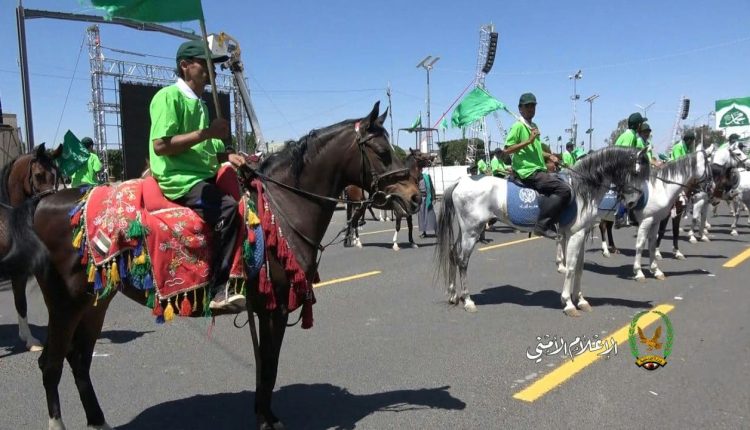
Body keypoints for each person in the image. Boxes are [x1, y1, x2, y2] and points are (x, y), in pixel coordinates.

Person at [149, 39, 247, 314]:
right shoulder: (168, 97)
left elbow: (206, 149)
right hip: (180, 179)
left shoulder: (201, 105)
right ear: (185, 66)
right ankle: (218, 288)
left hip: (203, 175)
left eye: (213, 66)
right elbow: (161, 145)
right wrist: (207, 133)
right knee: (228, 209)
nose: (212, 71)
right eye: (204, 64)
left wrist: (228, 156)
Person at [503, 92, 569, 239]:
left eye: (533, 106)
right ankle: (542, 225)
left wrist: (550, 156)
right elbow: (507, 149)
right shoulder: (518, 127)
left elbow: (537, 151)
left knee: (563, 181)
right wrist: (529, 141)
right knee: (564, 189)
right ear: (520, 109)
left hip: (538, 169)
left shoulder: (533, 126)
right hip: (527, 171)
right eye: (527, 106)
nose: (531, 109)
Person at [614, 112, 648, 228]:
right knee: (632, 189)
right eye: (641, 124)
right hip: (619, 169)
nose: (642, 126)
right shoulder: (631, 136)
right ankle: (620, 216)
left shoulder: (628, 134)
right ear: (638, 125)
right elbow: (626, 156)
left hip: (618, 167)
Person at [418, 165, 437, 238]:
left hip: (428, 198)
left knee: (431, 215)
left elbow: (431, 187)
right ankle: (424, 232)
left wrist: (434, 198)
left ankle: (436, 230)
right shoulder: (417, 177)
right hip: (421, 199)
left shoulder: (427, 176)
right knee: (422, 216)